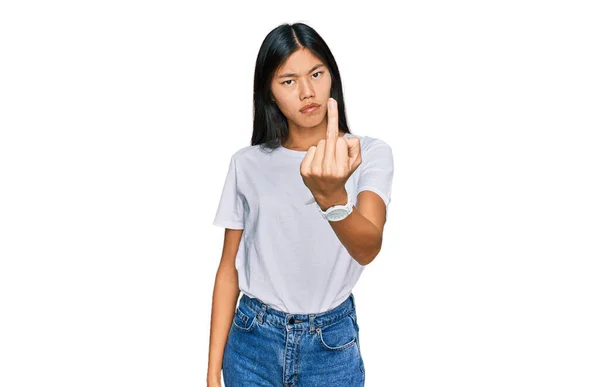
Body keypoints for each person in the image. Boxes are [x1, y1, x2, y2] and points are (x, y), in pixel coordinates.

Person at [207, 22, 394, 387]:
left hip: (331, 345)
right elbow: (228, 268)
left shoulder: (367, 153)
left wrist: (332, 197)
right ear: (270, 93)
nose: (307, 91)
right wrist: (213, 371)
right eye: (288, 81)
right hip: (252, 340)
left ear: (332, 77)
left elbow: (368, 247)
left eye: (316, 74)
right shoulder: (247, 163)